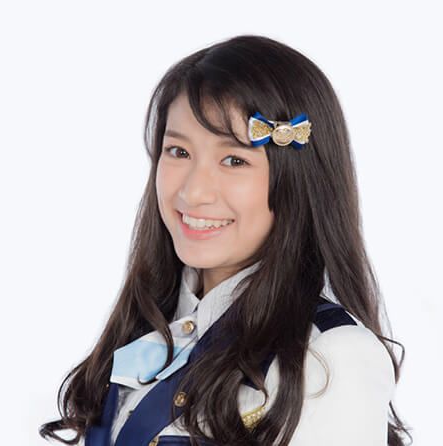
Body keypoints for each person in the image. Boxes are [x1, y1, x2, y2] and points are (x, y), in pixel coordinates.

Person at [39, 34, 412, 446]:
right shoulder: (148, 328)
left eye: (234, 160)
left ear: (298, 181)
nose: (193, 191)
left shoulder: (331, 356)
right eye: (178, 152)